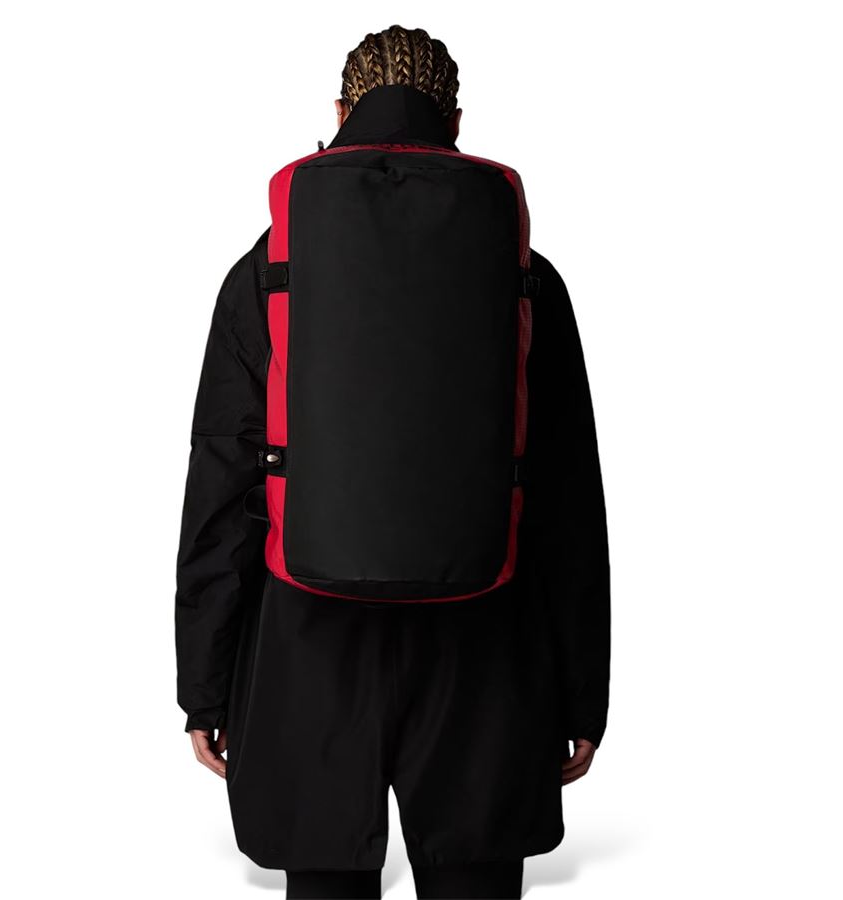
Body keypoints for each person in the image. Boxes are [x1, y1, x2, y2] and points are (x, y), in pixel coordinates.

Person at [175, 24, 610, 900]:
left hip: (307, 643)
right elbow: (567, 495)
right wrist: (579, 693)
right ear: (455, 119)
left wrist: (205, 686)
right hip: (486, 649)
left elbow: (223, 484)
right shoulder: (525, 274)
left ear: (341, 111)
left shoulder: (267, 271)